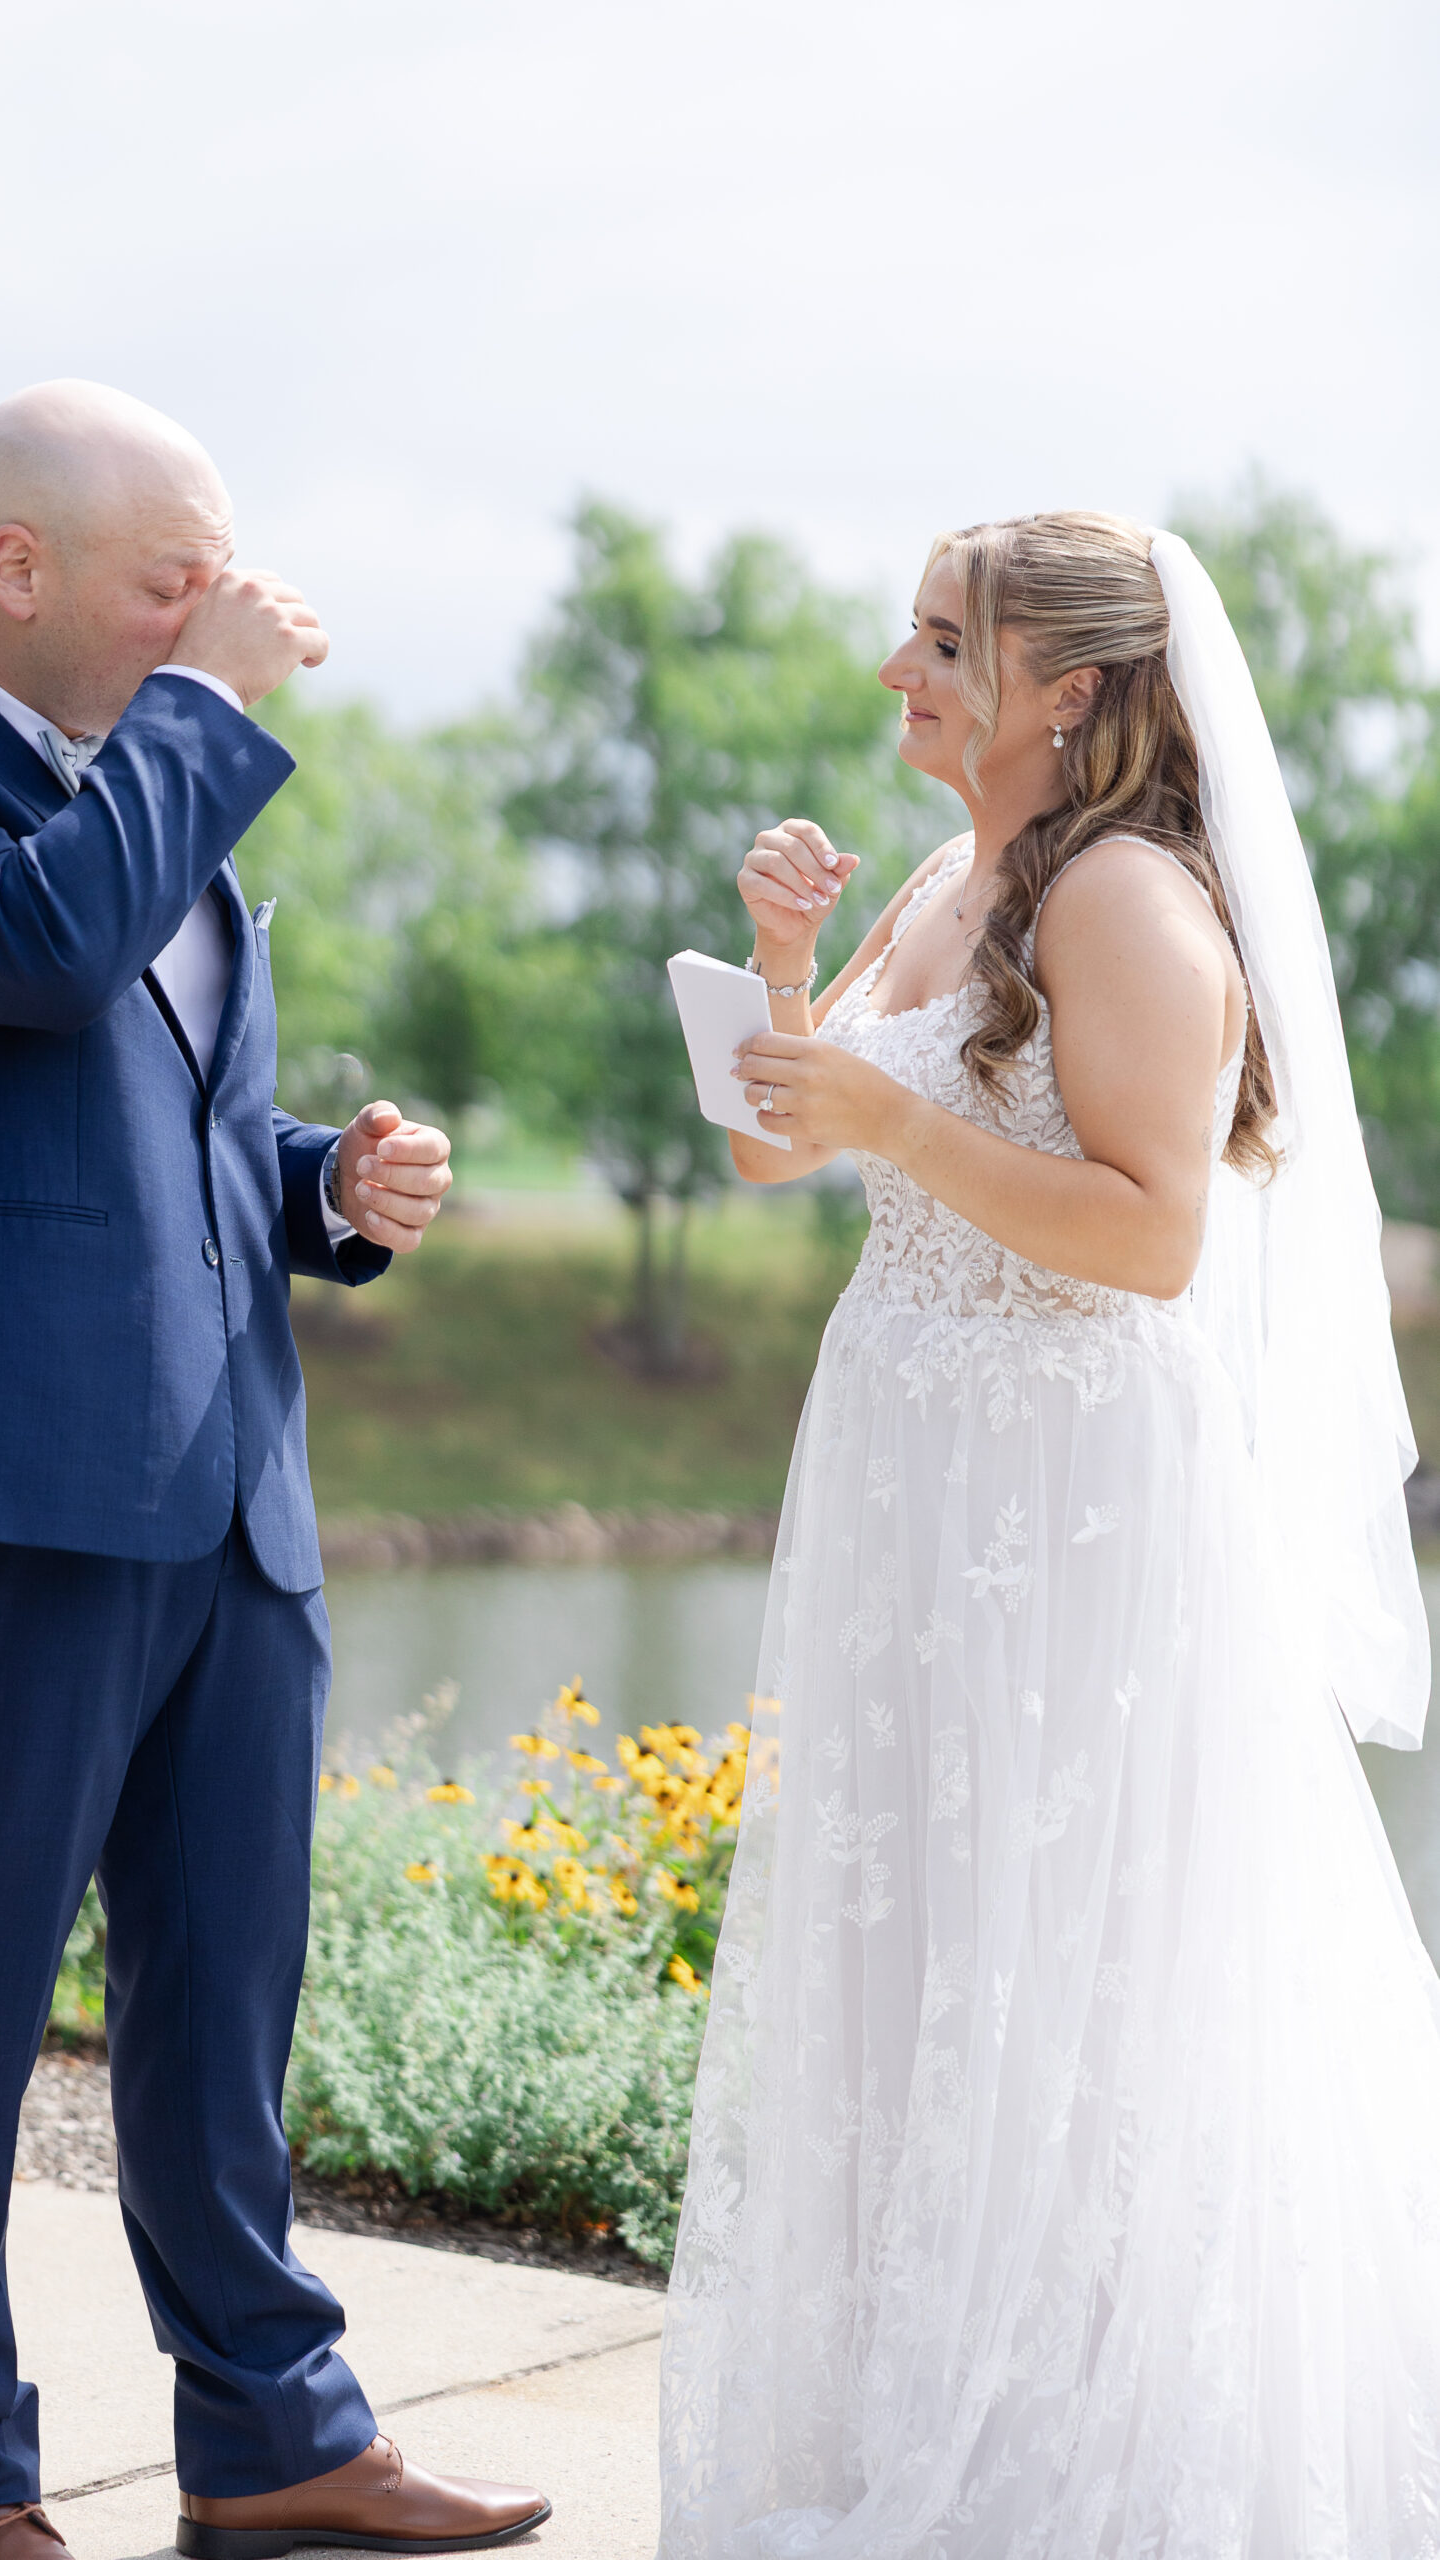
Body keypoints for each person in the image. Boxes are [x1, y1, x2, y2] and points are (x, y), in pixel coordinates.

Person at [0, 381, 549, 2560]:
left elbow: (143, 1131)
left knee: (224, 1999)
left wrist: (328, 1184)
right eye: (171, 576)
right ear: (23, 568)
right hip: (13, 1487)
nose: (225, 610)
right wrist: (203, 708)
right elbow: (29, 956)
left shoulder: (136, 789)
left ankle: (273, 2431)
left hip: (228, 1492)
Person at [656, 511, 1440, 2557]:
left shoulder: (1125, 902)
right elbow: (767, 1140)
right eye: (909, 629)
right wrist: (766, 963)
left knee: (1068, 1957)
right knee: (916, 1942)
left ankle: (1087, 2456)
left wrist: (893, 1120)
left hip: (1071, 1501)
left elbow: (1149, 1231)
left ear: (1068, 685)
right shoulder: (942, 874)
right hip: (910, 1468)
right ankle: (905, 2400)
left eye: (941, 639)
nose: (894, 668)